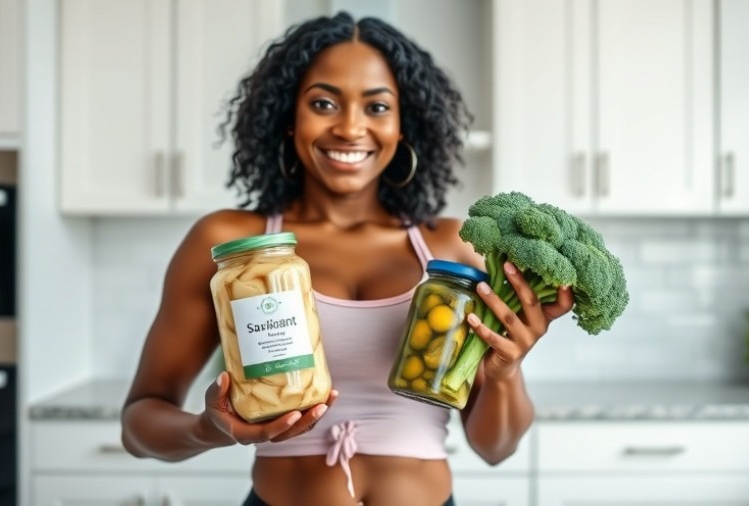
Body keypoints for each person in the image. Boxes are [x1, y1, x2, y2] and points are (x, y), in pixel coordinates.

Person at [120, 11, 573, 506]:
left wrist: (506, 371)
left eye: (377, 107)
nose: (350, 127)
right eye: (323, 103)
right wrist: (211, 428)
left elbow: (495, 448)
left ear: (404, 126)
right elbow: (140, 425)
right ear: (288, 117)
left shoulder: (451, 250)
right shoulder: (233, 247)